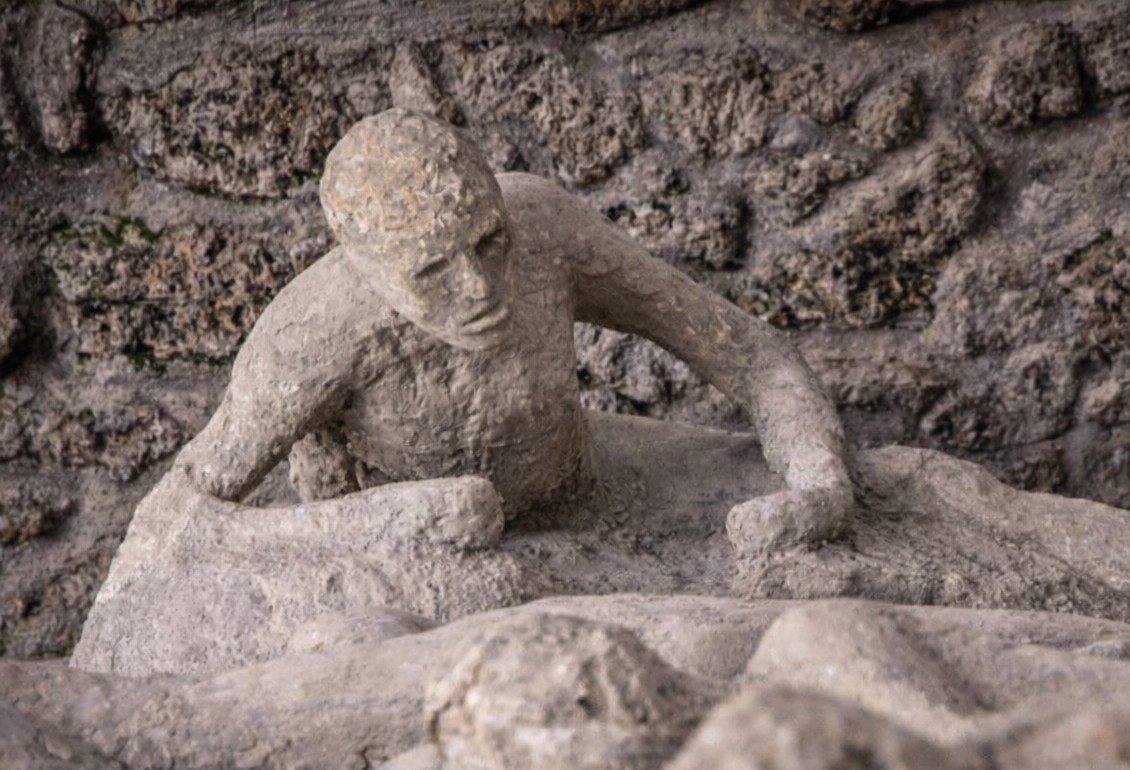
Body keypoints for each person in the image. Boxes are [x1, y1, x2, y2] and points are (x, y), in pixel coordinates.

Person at [168, 108, 853, 559]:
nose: (479, 288)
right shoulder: (309, 336)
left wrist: (818, 485)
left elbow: (751, 355)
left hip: (588, 508)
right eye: (432, 270)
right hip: (404, 571)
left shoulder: (542, 229)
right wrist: (402, 519)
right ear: (365, 267)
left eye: (489, 242)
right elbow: (183, 524)